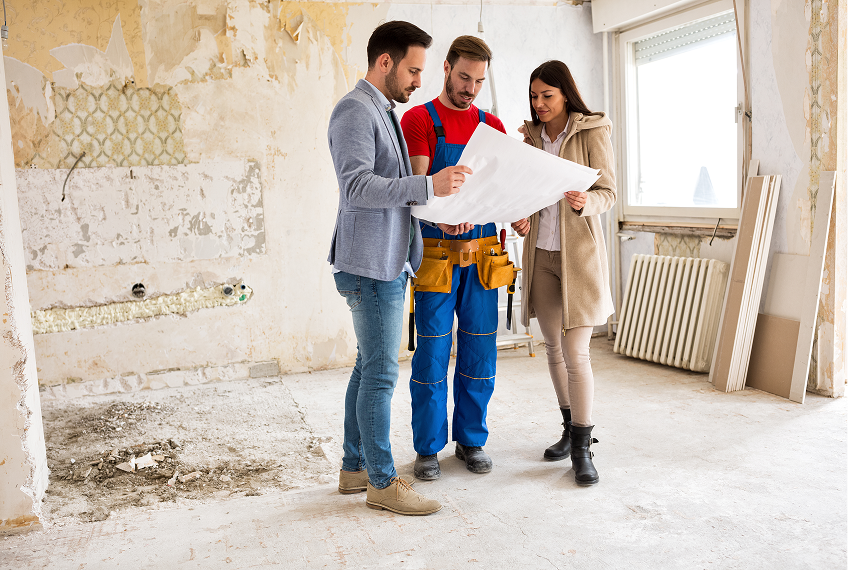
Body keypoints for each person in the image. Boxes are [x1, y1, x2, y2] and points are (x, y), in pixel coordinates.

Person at [327, 21, 472, 515]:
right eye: (412, 69)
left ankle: (354, 468)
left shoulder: (382, 109)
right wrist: (428, 185)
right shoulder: (354, 109)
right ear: (384, 62)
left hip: (383, 260)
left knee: (368, 367)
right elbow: (357, 188)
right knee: (382, 375)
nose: (417, 80)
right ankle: (383, 483)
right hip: (370, 265)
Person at [400, 36, 507, 481]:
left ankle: (471, 440)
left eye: (479, 81)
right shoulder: (418, 119)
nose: (471, 89)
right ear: (445, 68)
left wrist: (513, 216)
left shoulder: (493, 125)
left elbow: (501, 189)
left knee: (480, 350)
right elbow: (419, 189)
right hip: (436, 255)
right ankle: (428, 447)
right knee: (432, 350)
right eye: (464, 77)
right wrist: (444, 222)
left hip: (482, 254)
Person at [511, 60, 616, 486]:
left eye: (547, 96)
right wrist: (521, 218)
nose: (539, 104)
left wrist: (584, 203)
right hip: (542, 257)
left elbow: (608, 192)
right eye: (534, 96)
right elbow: (524, 194)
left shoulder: (591, 132)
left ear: (565, 94)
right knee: (552, 349)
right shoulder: (531, 138)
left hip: (580, 260)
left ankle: (582, 449)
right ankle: (568, 429)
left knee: (577, 353)